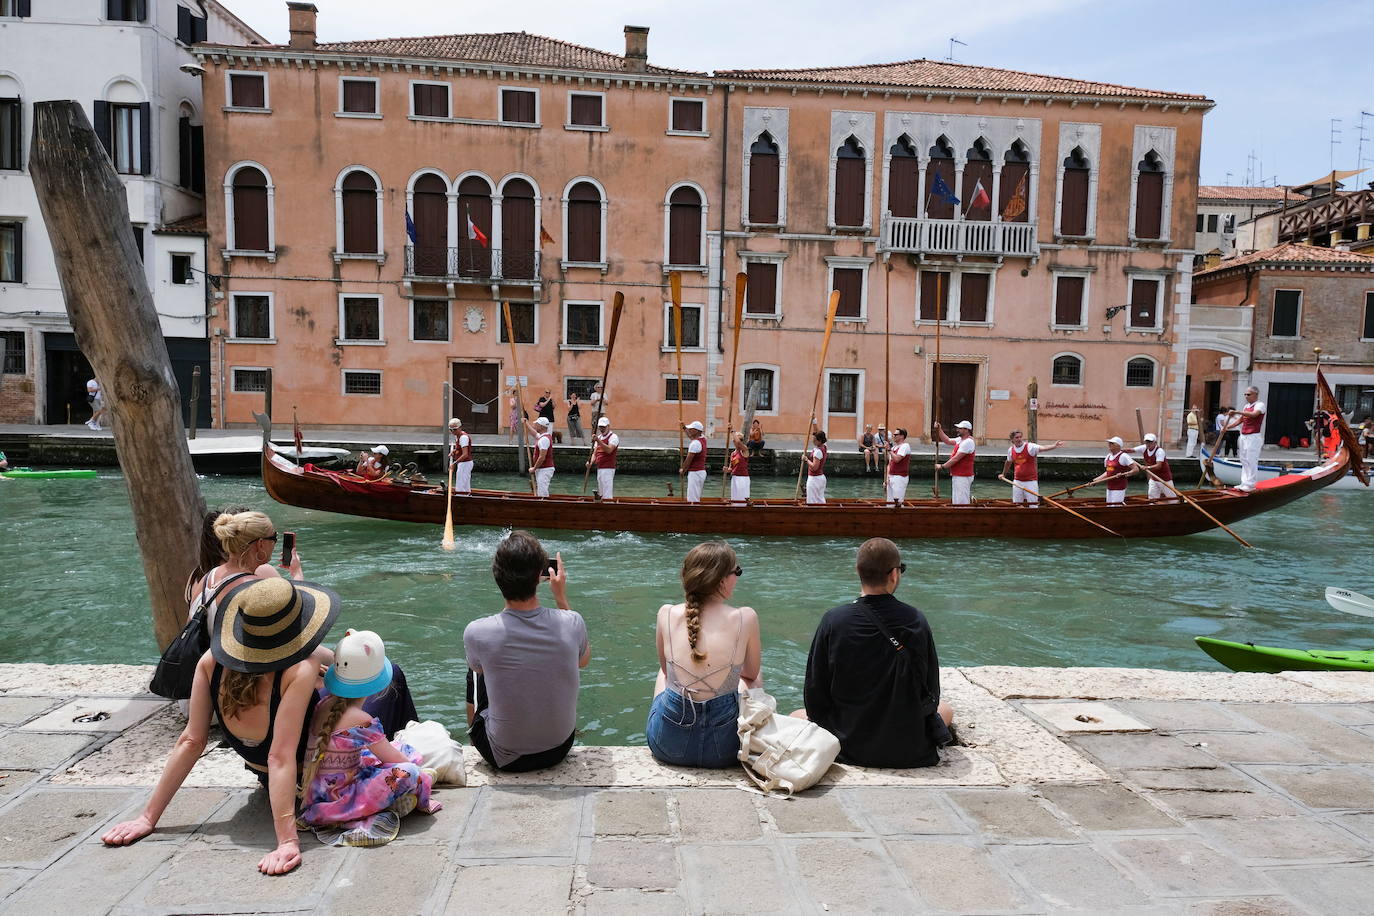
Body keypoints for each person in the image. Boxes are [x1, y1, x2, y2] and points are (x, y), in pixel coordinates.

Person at [102, 574, 342, 874]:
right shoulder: (301, 669)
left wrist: (147, 818)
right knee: (388, 677)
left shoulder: (209, 662)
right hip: (313, 782)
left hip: (268, 778)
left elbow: (191, 741)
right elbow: (280, 756)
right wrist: (286, 841)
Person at [799, 538, 953, 768]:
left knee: (796, 716)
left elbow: (814, 694)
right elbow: (931, 692)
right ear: (894, 574)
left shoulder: (834, 620)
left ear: (858, 571)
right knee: (946, 710)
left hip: (847, 744)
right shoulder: (916, 620)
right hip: (909, 748)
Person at [297, 629, 441, 848]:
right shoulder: (360, 719)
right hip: (341, 801)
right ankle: (408, 795)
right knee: (409, 770)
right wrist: (420, 779)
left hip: (318, 795)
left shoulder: (323, 705)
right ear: (378, 681)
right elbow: (397, 761)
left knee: (392, 749)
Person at [464, 531, 588, 772]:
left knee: (476, 670)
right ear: (539, 576)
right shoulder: (572, 622)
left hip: (505, 757)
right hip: (559, 748)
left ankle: (473, 738)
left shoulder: (477, 631)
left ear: (497, 576)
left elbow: (480, 669)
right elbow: (582, 660)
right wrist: (561, 597)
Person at [647, 542, 762, 768]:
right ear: (721, 579)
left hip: (667, 746)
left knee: (664, 674)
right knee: (752, 677)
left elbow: (664, 669)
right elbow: (751, 673)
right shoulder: (745, 617)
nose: (737, 578)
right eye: (737, 571)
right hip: (726, 751)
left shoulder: (666, 613)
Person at [1001, 430, 1065, 507]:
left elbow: (1043, 448)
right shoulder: (1011, 450)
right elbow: (1008, 462)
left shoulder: (1030, 447)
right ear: (1012, 440)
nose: (1019, 439)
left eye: (1020, 437)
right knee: (1017, 504)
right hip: (1017, 482)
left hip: (1030, 482)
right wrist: (1003, 474)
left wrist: (1054, 446)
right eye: (1017, 437)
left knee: (1033, 505)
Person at [1230, 386, 1266, 491]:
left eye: (1248, 394)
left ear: (1256, 394)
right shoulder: (1246, 406)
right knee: (1243, 459)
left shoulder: (1260, 405)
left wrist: (1237, 412)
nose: (1246, 396)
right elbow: (1241, 419)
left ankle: (1251, 484)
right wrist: (1228, 427)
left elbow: (1254, 415)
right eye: (1245, 394)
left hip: (1253, 436)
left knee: (1251, 459)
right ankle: (1244, 482)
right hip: (1243, 436)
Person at [934, 420, 977, 506]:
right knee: (957, 498)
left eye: (960, 428)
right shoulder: (960, 440)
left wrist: (942, 466)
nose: (957, 430)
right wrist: (939, 430)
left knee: (961, 500)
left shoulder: (968, 442)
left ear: (966, 430)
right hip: (958, 474)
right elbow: (947, 441)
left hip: (963, 475)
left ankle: (963, 515)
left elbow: (956, 459)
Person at [1091, 436, 1138, 504]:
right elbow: (1108, 472)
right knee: (1109, 506)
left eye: (1112, 443)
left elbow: (1136, 469)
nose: (1109, 445)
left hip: (1119, 488)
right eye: (1109, 443)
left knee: (1115, 506)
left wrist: (1124, 474)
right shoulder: (1108, 457)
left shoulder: (1124, 456)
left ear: (1118, 446)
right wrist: (1097, 479)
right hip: (1110, 487)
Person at [1130, 432, 1177, 499]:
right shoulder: (1144, 448)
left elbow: (1158, 466)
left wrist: (1147, 467)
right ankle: (1152, 506)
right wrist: (1120, 451)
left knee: (1172, 498)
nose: (1148, 444)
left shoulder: (1160, 451)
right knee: (1152, 496)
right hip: (1154, 478)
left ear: (1155, 443)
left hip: (1164, 479)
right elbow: (1130, 450)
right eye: (1147, 442)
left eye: (1150, 442)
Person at [589, 416, 619, 500]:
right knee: (601, 492)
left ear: (608, 426)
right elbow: (595, 453)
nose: (602, 429)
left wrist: (598, 441)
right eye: (600, 427)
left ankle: (608, 504)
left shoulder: (613, 437)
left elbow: (609, 450)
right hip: (600, 468)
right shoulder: (599, 437)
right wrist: (590, 462)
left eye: (604, 427)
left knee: (607, 493)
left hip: (608, 468)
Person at [681, 420, 708, 503]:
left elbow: (688, 460)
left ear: (696, 431)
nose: (689, 430)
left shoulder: (695, 444)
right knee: (695, 494)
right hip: (701, 472)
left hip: (695, 473)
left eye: (691, 429)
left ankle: (693, 512)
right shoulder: (703, 438)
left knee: (693, 497)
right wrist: (684, 427)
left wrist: (683, 470)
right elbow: (691, 436)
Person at [885, 427, 912, 506]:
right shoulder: (894, 448)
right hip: (891, 477)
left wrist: (889, 450)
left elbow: (897, 459)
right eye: (893, 434)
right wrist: (886, 479)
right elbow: (889, 464)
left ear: (902, 436)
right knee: (889, 502)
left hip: (900, 477)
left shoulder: (905, 446)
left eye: (896, 434)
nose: (893, 436)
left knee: (897, 501)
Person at [529, 417, 555, 497]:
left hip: (545, 469)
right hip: (542, 469)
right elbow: (534, 434)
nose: (535, 426)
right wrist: (526, 424)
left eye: (536, 424)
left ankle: (544, 506)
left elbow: (542, 457)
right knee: (540, 490)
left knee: (542, 491)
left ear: (542, 426)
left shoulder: (544, 439)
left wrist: (534, 468)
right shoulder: (543, 437)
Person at [449, 418, 473, 494]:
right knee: (464, 483)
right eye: (451, 430)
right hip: (463, 463)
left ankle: (462, 498)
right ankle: (466, 496)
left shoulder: (463, 438)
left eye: (455, 429)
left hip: (465, 463)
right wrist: (455, 451)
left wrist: (454, 463)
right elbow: (459, 448)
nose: (453, 432)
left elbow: (465, 454)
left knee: (461, 484)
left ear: (460, 428)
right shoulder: (457, 436)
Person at [804, 430, 828, 504]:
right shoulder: (824, 447)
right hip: (821, 479)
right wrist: (814, 421)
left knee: (812, 501)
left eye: (814, 440)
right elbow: (818, 432)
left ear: (820, 440)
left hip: (814, 479)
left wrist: (806, 460)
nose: (813, 441)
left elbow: (814, 467)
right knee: (820, 499)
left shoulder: (817, 452)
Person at [726, 431, 750, 504]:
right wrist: (727, 470)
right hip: (734, 478)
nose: (739, 441)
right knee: (734, 499)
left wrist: (732, 431)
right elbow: (731, 468)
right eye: (738, 439)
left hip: (743, 478)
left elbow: (739, 443)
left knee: (743, 500)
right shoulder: (733, 454)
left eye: (741, 439)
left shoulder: (744, 450)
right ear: (733, 441)